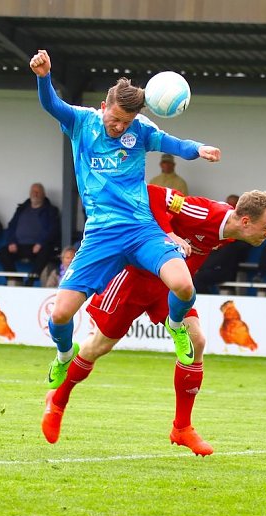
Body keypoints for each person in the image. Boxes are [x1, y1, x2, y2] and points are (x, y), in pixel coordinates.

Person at [29, 49, 221, 387]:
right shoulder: (81, 122)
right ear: (104, 107)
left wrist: (199, 149)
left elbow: (175, 145)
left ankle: (176, 327)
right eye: (114, 119)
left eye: (125, 123)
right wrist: (44, 77)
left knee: (183, 285)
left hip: (141, 229)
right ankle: (63, 354)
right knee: (59, 316)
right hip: (101, 235)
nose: (118, 127)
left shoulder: (141, 130)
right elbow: (51, 106)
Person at [42, 185, 266, 453]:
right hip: (135, 278)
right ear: (246, 221)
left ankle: (182, 428)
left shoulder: (232, 231)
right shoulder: (205, 212)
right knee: (99, 345)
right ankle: (58, 399)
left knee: (197, 341)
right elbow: (152, 194)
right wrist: (169, 234)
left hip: (169, 287)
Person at [0, 182, 59, 286]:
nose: (35, 194)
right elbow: (11, 226)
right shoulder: (21, 209)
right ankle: (14, 279)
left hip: (38, 247)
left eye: (38, 192)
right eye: (33, 191)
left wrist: (40, 243)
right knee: (3, 251)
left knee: (47, 250)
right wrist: (11, 242)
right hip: (19, 246)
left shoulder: (51, 210)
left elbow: (53, 230)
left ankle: (31, 280)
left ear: (43, 194)